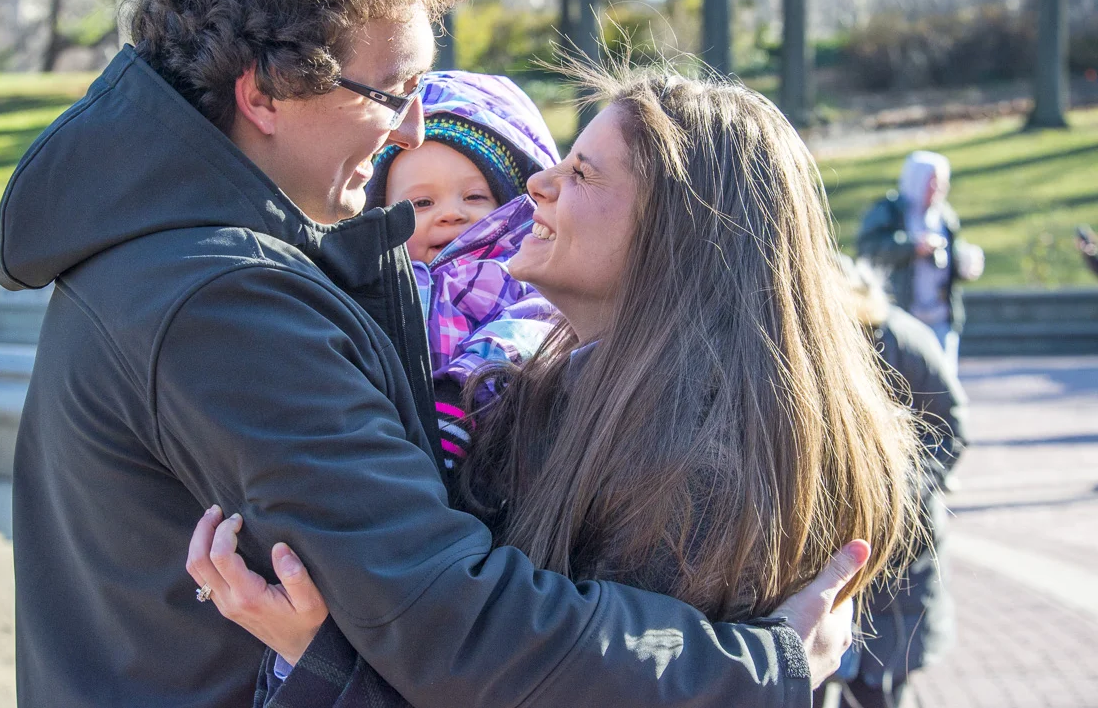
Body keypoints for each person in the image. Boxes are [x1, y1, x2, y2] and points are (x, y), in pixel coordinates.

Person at [0, 0, 862, 706]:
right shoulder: (219, 300)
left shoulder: (171, 258)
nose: (414, 127)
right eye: (392, 89)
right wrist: (763, 665)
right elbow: (454, 619)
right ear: (263, 93)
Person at [186, 67, 923, 707]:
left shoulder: (700, 460)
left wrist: (322, 655)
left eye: (581, 173)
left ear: (679, 230)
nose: (537, 182)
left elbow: (540, 686)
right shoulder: (534, 399)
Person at [367, 71, 561, 467]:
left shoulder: (517, 273)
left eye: (474, 196)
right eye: (421, 203)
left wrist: (461, 395)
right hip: (388, 451)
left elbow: (532, 330)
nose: (451, 214)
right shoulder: (375, 279)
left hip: (489, 445)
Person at [816, 258, 968, 708]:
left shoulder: (903, 339)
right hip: (828, 540)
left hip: (900, 543)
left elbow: (950, 426)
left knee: (878, 689)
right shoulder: (809, 340)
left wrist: (899, 491)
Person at [857, 151, 984, 376]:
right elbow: (869, 249)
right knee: (907, 385)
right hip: (902, 317)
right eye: (933, 182)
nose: (940, 189)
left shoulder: (944, 216)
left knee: (944, 385)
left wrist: (965, 263)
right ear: (917, 180)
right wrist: (912, 247)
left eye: (943, 182)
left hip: (941, 318)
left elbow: (952, 255)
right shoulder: (890, 211)